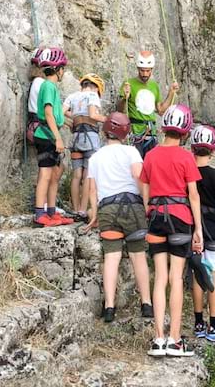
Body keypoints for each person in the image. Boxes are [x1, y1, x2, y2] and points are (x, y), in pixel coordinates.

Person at [141, 104, 203, 357]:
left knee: (160, 277)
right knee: (177, 278)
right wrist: (198, 228)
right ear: (186, 130)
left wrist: (150, 212)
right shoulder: (186, 157)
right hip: (180, 218)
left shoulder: (151, 155)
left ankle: (158, 339)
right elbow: (194, 195)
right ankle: (175, 340)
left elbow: (144, 191)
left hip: (156, 217)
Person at [84, 112, 153, 323]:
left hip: (107, 209)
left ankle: (109, 308)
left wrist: (94, 214)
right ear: (125, 132)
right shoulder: (131, 152)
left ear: (105, 130)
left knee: (111, 258)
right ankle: (147, 304)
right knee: (138, 256)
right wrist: (147, 204)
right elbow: (139, 177)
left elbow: (92, 190)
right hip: (132, 207)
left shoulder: (95, 157)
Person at [190, 125, 215, 343]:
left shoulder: (188, 173)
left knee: (198, 273)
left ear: (193, 148)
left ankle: (198, 322)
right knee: (213, 273)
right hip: (214, 230)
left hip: (193, 231)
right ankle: (214, 324)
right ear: (213, 150)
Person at [32, 47, 74, 228]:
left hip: (49, 134)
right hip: (46, 136)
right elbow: (48, 113)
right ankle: (40, 212)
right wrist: (58, 138)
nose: (63, 71)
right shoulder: (48, 86)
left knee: (57, 171)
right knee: (46, 173)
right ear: (58, 69)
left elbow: (55, 114)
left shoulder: (50, 87)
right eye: (62, 68)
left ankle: (51, 211)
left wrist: (65, 122)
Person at [117, 51, 180, 159]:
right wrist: (124, 98)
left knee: (152, 165)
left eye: (148, 70)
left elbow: (160, 110)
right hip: (136, 132)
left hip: (151, 132)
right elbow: (119, 110)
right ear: (137, 68)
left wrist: (171, 93)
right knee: (137, 165)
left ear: (152, 70)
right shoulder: (129, 83)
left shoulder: (154, 85)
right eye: (142, 70)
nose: (145, 74)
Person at [63, 73, 107, 221]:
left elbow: (61, 113)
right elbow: (93, 114)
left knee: (76, 175)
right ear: (96, 88)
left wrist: (73, 120)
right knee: (88, 175)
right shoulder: (92, 96)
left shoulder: (72, 96)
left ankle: (75, 210)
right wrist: (108, 120)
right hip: (90, 138)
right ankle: (82, 210)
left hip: (76, 138)